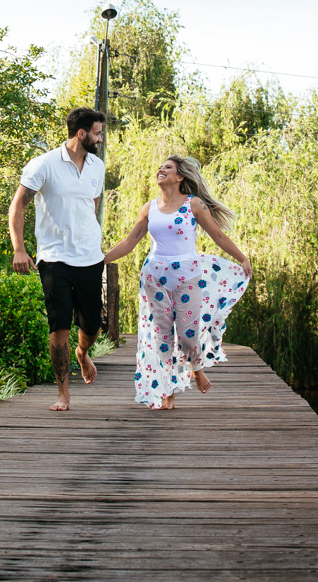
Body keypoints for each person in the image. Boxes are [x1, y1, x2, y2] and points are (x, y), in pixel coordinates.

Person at [103, 155, 252, 410]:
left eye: (168, 167)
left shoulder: (193, 204)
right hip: (154, 278)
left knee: (186, 336)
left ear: (179, 176)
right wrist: (101, 260)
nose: (161, 169)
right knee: (162, 337)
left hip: (187, 277)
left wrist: (242, 258)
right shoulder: (149, 208)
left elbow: (217, 235)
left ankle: (196, 368)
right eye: (160, 167)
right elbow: (129, 242)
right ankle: (168, 391)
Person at [9, 107, 107, 412]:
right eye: (97, 133)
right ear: (81, 133)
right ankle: (63, 393)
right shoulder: (44, 165)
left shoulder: (97, 166)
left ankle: (82, 352)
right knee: (59, 324)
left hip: (90, 256)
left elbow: (91, 204)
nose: (100, 139)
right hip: (54, 258)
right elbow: (17, 206)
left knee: (93, 325)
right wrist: (19, 249)